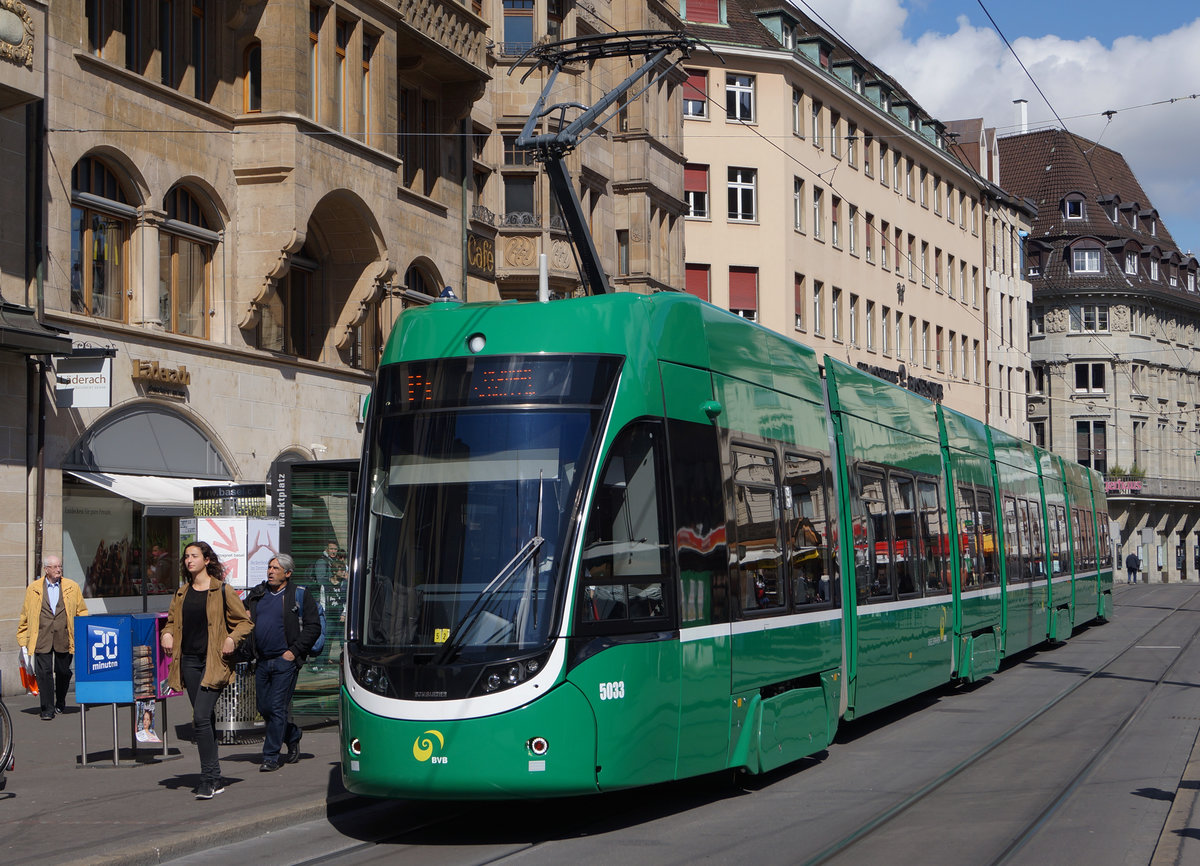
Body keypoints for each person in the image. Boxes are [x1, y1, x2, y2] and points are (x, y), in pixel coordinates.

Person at [160, 541, 252, 799]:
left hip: (213, 663)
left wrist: (232, 639)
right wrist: (166, 635)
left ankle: (209, 779)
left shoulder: (222, 590)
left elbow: (244, 623)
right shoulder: (181, 593)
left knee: (200, 717)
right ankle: (215, 775)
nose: (189, 560)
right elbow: (171, 623)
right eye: (186, 557)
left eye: (194, 556)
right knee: (206, 719)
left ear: (207, 560)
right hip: (188, 661)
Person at [244, 554, 320, 772]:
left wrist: (293, 652)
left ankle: (270, 756)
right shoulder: (258, 594)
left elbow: (313, 627)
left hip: (285, 661)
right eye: (269, 567)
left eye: (276, 568)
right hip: (262, 661)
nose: (270, 571)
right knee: (264, 707)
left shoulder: (300, 595)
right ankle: (292, 734)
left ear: (287, 573)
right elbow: (240, 614)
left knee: (277, 708)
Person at [17, 556, 89, 720]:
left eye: (60, 566)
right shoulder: (34, 589)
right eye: (54, 567)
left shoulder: (71, 587)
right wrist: (23, 639)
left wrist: (81, 630)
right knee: (44, 673)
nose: (58, 570)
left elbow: (82, 611)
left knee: (63, 671)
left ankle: (60, 700)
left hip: (64, 635)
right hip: (41, 636)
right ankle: (47, 708)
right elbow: (25, 615)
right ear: (46, 569)